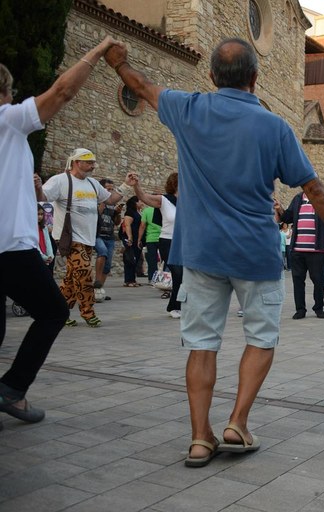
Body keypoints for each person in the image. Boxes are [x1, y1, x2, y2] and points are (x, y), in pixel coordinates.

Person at [107, 37, 324, 467]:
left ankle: (200, 438)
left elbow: (141, 86)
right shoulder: (275, 127)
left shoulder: (188, 109)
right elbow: (312, 188)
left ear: (211, 76)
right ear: (255, 78)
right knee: (261, 338)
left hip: (201, 252)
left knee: (202, 345)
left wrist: (118, 63)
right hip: (255, 253)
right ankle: (237, 422)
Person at [0, 37, 124, 427]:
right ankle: (12, 389)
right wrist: (99, 49)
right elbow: (61, 92)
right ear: (6, 93)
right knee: (53, 311)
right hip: (9, 247)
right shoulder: (7, 120)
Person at [41, 149, 131, 327]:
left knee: (71, 278)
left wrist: (126, 185)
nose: (93, 166)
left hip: (88, 238)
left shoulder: (92, 183)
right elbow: (43, 197)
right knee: (84, 273)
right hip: (70, 238)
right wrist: (36, 187)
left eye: (93, 162)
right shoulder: (60, 180)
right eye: (89, 162)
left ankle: (58, 312)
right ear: (76, 162)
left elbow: (110, 200)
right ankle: (88, 311)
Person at [128, 172, 183, 318]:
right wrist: (136, 185)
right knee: (178, 273)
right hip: (168, 241)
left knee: (186, 275)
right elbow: (143, 197)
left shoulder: (190, 200)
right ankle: (175, 307)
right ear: (175, 184)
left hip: (185, 241)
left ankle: (178, 305)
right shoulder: (164, 200)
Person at [276, 191, 324, 319]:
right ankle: (300, 309)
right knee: (298, 281)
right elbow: (287, 218)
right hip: (298, 249)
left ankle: (319, 308)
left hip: (317, 250)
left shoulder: (322, 197)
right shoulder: (297, 198)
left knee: (318, 280)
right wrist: (279, 208)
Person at [121, 196, 142, 287]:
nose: (142, 203)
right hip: (130, 237)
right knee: (129, 258)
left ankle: (133, 279)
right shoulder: (130, 212)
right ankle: (128, 280)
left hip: (137, 238)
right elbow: (127, 225)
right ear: (135, 203)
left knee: (135, 258)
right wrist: (130, 237)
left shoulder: (138, 212)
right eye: (140, 201)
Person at [139, 201, 162, 284]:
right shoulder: (162, 210)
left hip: (150, 238)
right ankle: (165, 278)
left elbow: (142, 226)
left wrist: (139, 239)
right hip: (163, 237)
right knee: (165, 260)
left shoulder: (146, 211)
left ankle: (152, 279)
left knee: (152, 260)